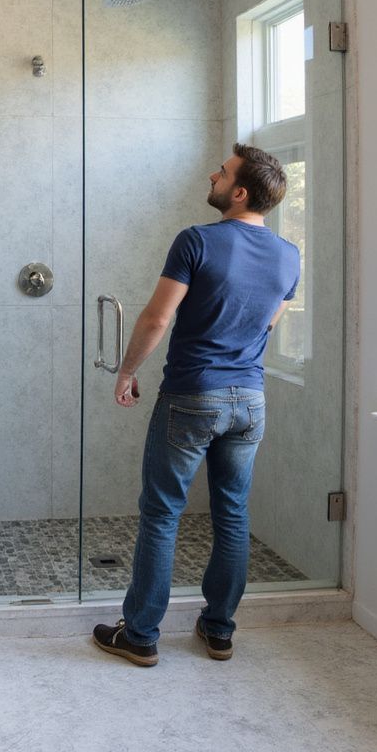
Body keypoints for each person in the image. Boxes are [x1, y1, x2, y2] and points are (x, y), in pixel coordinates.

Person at [92, 143, 300, 667]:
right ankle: (219, 630)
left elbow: (157, 319)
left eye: (223, 172)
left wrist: (128, 370)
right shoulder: (289, 254)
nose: (213, 174)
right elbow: (270, 320)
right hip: (249, 400)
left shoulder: (197, 241)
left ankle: (140, 634)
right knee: (232, 513)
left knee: (162, 513)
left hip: (193, 394)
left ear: (241, 191)